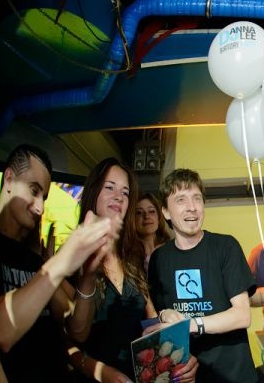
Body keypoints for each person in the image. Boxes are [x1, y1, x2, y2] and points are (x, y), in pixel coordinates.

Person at [66, 158, 197, 383]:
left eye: (125, 193)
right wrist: (100, 372)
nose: (119, 196)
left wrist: (180, 357)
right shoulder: (69, 258)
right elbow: (69, 340)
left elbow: (151, 320)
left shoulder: (131, 257)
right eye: (110, 188)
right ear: (93, 191)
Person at [0, 144, 120, 382]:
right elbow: (2, 331)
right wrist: (62, 260)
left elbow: (77, 329)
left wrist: (88, 274)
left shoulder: (35, 260)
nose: (40, 207)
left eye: (44, 197)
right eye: (34, 191)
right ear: (9, 179)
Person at [147, 168, 258, 383]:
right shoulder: (159, 259)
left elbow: (242, 315)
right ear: (166, 212)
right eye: (181, 200)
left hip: (233, 376)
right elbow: (158, 316)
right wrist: (163, 315)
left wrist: (191, 324)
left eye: (197, 198)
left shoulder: (226, 247)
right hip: (185, 374)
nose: (192, 207)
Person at [136, 192, 171, 272]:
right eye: (139, 212)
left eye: (151, 211)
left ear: (159, 217)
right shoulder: (126, 256)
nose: (146, 216)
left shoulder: (171, 250)